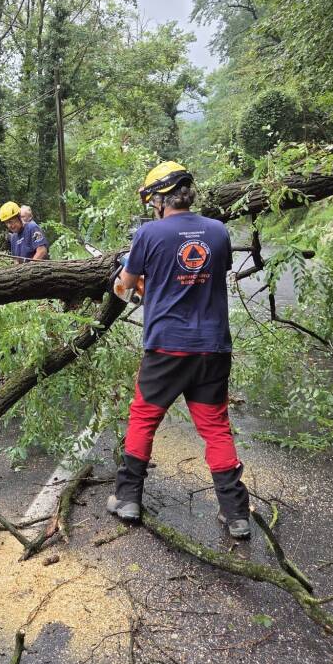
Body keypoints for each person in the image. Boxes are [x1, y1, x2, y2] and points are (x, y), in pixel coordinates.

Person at [106, 161, 251, 538]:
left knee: (143, 418)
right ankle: (236, 514)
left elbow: (124, 289)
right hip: (213, 347)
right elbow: (202, 279)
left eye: (152, 199)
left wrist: (126, 278)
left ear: (159, 198)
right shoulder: (219, 232)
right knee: (216, 428)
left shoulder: (148, 234)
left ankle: (127, 498)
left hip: (168, 347)